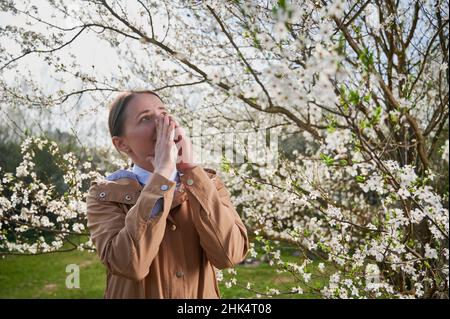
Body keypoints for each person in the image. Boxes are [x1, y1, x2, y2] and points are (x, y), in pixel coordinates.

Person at [86, 90, 249, 298]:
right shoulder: (105, 194)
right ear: (121, 143)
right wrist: (161, 176)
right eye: (145, 118)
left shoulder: (208, 184)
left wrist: (190, 169)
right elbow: (130, 265)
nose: (163, 123)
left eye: (163, 113)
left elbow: (230, 255)